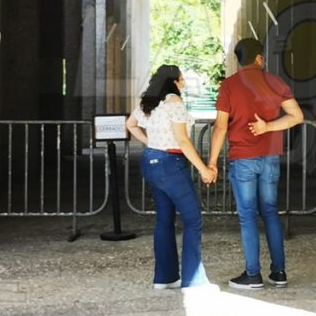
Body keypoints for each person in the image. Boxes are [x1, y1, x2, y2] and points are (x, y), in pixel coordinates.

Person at [208, 38, 303, 290]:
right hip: (271, 158)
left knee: (248, 216)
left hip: (243, 160)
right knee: (270, 212)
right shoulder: (275, 82)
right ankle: (279, 272)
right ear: (259, 58)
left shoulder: (229, 86)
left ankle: (253, 275)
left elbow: (220, 127)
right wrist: (269, 127)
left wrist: (212, 162)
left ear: (239, 60)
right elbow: (296, 116)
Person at [126, 65, 215, 290]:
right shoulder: (174, 101)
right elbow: (182, 140)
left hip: (150, 162)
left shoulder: (150, 102)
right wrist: (204, 169)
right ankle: (194, 280)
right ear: (174, 81)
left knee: (164, 219)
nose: (184, 82)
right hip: (170, 165)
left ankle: (165, 278)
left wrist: (152, 144)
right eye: (182, 78)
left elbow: (130, 125)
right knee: (193, 219)